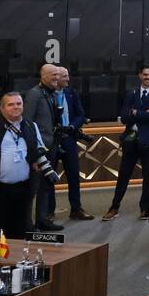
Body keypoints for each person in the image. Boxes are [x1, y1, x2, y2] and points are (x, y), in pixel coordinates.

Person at [103, 64, 149, 221]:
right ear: (140, 75)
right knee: (123, 176)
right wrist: (144, 112)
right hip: (130, 140)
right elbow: (124, 118)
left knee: (148, 176)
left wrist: (135, 111)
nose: (147, 77)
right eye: (145, 75)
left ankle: (145, 208)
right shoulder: (131, 93)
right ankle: (114, 207)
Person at [0, 92, 43, 240]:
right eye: (11, 104)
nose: (16, 107)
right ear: (2, 108)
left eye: (18, 104)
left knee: (23, 229)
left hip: (25, 188)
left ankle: (20, 262)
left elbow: (39, 149)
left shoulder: (31, 126)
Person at [23, 64, 67, 231]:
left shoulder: (51, 94)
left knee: (46, 185)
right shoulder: (34, 94)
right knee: (33, 187)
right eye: (53, 75)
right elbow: (27, 123)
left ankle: (42, 219)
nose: (57, 78)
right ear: (43, 76)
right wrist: (33, 153)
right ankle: (28, 224)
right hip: (39, 149)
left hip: (52, 146)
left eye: (58, 75)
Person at [46, 67, 91, 221]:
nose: (68, 79)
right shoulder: (46, 95)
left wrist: (73, 126)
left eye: (67, 76)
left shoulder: (71, 93)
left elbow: (80, 114)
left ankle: (76, 209)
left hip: (69, 139)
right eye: (64, 76)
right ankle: (49, 211)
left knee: (73, 175)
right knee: (49, 177)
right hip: (51, 141)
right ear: (56, 78)